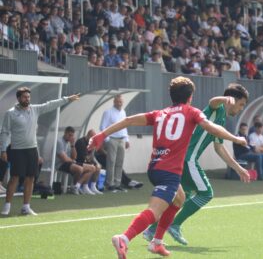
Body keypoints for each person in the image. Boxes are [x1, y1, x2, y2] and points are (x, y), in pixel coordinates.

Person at [88, 76, 248, 257]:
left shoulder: (160, 113)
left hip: (155, 167)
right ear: (190, 97)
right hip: (169, 171)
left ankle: (156, 242)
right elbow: (210, 125)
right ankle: (124, 238)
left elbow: (129, 120)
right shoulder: (192, 112)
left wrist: (101, 135)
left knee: (179, 198)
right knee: (155, 212)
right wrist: (235, 138)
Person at [143, 84, 251, 246]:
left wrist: (238, 168)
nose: (241, 108)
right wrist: (224, 99)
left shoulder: (221, 119)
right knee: (206, 194)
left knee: (181, 197)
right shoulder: (218, 108)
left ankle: (152, 229)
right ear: (233, 101)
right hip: (188, 159)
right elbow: (212, 102)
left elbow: (219, 148)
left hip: (184, 159)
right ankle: (175, 224)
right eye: (241, 104)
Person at [0, 87, 79, 216]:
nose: (27, 99)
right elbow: (4, 133)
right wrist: (3, 150)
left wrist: (67, 99)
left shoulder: (35, 109)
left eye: (28, 97)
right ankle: (7, 205)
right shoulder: (11, 113)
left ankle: (26, 207)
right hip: (17, 150)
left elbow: (50, 105)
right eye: (25, 97)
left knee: (30, 177)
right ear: (19, 98)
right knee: (14, 177)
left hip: (32, 150)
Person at [100, 94, 130, 192]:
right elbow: (102, 127)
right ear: (114, 102)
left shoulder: (123, 112)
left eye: (121, 101)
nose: (119, 103)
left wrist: (127, 139)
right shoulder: (108, 112)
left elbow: (125, 127)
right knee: (111, 162)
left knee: (119, 162)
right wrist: (107, 140)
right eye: (118, 101)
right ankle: (110, 183)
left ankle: (117, 183)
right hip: (112, 139)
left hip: (122, 139)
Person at [56, 127, 98, 195]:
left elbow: (74, 157)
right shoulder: (59, 142)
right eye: (69, 135)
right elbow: (64, 159)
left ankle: (77, 186)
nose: (71, 137)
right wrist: (74, 162)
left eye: (72, 135)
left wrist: (72, 145)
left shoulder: (70, 143)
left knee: (93, 168)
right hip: (60, 164)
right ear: (65, 133)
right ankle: (74, 187)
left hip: (70, 163)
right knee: (79, 169)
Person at [74, 129, 103, 194]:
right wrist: (92, 150)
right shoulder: (81, 142)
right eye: (92, 138)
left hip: (85, 162)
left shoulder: (91, 142)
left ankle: (92, 186)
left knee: (98, 167)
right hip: (78, 161)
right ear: (88, 135)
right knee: (92, 167)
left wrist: (96, 163)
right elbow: (87, 158)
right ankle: (80, 186)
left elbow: (92, 158)